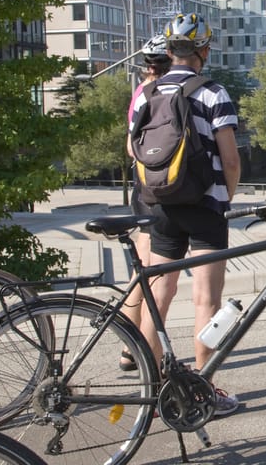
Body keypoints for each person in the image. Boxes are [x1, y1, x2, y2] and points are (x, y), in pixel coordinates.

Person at [128, 13, 242, 414]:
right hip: (205, 206)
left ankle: (151, 385)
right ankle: (202, 388)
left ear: (170, 49)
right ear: (203, 51)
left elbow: (133, 149)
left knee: (159, 295)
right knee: (205, 302)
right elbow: (230, 161)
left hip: (161, 205)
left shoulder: (147, 92)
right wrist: (223, 198)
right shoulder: (214, 93)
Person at [120, 35, 171, 371]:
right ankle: (137, 349)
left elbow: (129, 146)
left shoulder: (140, 93)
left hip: (142, 188)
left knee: (143, 264)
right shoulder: (158, 94)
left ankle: (129, 345)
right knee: (152, 272)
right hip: (156, 190)